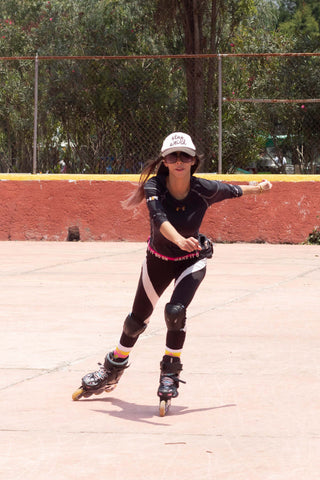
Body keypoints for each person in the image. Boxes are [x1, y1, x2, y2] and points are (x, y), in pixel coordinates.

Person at [72, 131, 272, 403]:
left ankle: (170, 371)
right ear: (164, 161)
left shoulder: (205, 189)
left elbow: (235, 190)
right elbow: (158, 219)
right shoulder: (155, 186)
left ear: (193, 161)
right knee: (134, 323)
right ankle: (112, 368)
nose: (179, 160)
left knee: (175, 312)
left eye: (185, 156)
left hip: (192, 261)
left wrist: (260, 187)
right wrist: (180, 240)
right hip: (158, 260)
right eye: (172, 156)